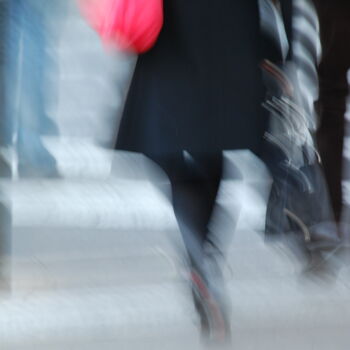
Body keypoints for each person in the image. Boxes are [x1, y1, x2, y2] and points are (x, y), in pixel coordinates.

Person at [115, 0, 275, 342]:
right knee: (212, 139)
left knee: (165, 140)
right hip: (231, 20)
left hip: (172, 24)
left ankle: (200, 256)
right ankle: (204, 259)